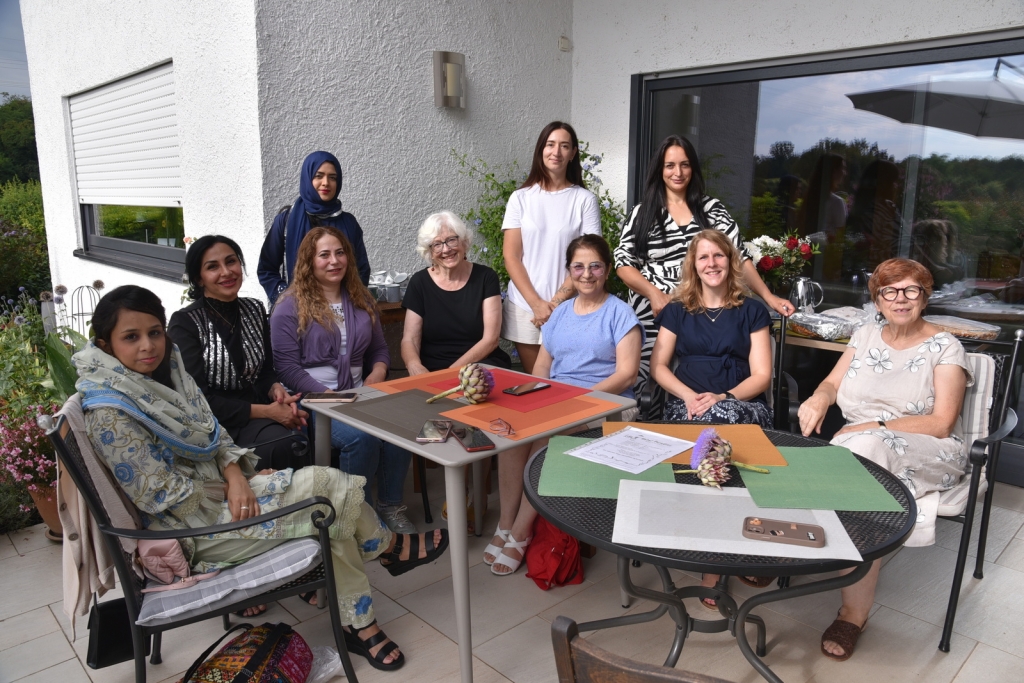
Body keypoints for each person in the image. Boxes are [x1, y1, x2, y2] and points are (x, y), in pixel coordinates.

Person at [76, 285, 448, 672]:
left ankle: (362, 622)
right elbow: (164, 495)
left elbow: (214, 434)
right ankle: (387, 551)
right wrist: (240, 486)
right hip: (196, 531)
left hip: (220, 498)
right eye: (131, 337)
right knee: (327, 496)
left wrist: (239, 476)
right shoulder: (110, 412)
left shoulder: (168, 375)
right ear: (105, 345)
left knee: (328, 510)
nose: (147, 345)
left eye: (154, 332)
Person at [798, 258, 972, 662]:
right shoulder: (865, 335)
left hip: (927, 446)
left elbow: (942, 422)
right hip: (858, 442)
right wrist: (820, 397)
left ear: (925, 298)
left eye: (911, 290)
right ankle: (799, 547)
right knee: (857, 463)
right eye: (889, 291)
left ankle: (851, 613)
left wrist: (874, 425)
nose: (900, 299)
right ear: (877, 300)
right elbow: (831, 382)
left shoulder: (946, 346)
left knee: (860, 453)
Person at [485, 234, 643, 575]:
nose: (586, 274)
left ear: (607, 270)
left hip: (607, 404)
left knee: (547, 436)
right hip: (559, 401)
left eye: (595, 266)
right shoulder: (559, 315)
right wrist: (533, 401)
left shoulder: (620, 313)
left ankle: (521, 532)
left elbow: (627, 374)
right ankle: (505, 522)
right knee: (511, 434)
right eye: (578, 267)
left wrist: (579, 400)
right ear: (569, 272)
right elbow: (542, 368)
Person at [614, 135, 791, 419]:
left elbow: (739, 256)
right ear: (659, 169)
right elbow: (623, 263)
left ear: (693, 168)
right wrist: (654, 294)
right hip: (653, 310)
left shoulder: (711, 210)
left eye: (685, 165)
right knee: (649, 389)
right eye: (670, 165)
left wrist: (768, 297)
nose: (678, 172)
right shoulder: (642, 213)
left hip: (704, 305)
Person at [270, 227, 415, 535]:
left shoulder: (361, 299)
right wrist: (328, 395)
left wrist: (377, 373)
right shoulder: (288, 306)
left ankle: (390, 505)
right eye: (324, 255)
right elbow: (286, 367)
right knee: (360, 438)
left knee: (401, 426)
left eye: (340, 253)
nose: (334, 261)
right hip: (312, 398)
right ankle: (358, 518)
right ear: (309, 261)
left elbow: (379, 350)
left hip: (359, 392)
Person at [169, 235, 308, 472]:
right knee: (287, 444)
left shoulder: (254, 309)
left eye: (231, 261)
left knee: (305, 425)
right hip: (215, 424)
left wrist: (275, 388)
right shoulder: (185, 322)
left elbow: (265, 371)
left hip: (260, 411)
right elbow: (197, 398)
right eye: (213, 267)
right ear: (198, 278)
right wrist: (268, 412)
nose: (226, 272)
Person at [502, 121, 601, 373]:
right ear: (541, 149)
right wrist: (536, 304)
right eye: (550, 144)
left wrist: (555, 304)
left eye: (564, 146)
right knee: (535, 381)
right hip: (525, 306)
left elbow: (589, 260)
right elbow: (511, 256)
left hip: (570, 307)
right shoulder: (520, 198)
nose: (556, 152)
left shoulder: (584, 200)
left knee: (567, 379)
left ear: (573, 153)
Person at [651, 229, 774, 429]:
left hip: (741, 403)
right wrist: (688, 396)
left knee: (717, 418)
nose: (712, 263)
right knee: (699, 420)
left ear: (730, 261)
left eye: (718, 255)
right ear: (693, 265)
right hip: (687, 403)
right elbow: (658, 365)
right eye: (703, 257)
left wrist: (723, 398)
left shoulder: (753, 311)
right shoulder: (676, 310)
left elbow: (762, 376)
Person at [402, 211, 510, 374]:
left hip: (479, 367)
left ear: (464, 242)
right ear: (429, 252)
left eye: (451, 240)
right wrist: (414, 366)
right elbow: (410, 339)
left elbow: (491, 340)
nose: (446, 249)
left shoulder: (486, 277)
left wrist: (450, 373)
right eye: (437, 244)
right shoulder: (419, 282)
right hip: (432, 369)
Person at [258, 151, 371, 304]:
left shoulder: (348, 222)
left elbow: (361, 269)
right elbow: (266, 269)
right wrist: (285, 298)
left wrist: (348, 301)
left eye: (332, 177)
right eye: (319, 176)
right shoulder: (287, 220)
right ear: (307, 178)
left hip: (342, 308)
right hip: (298, 309)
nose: (326, 183)